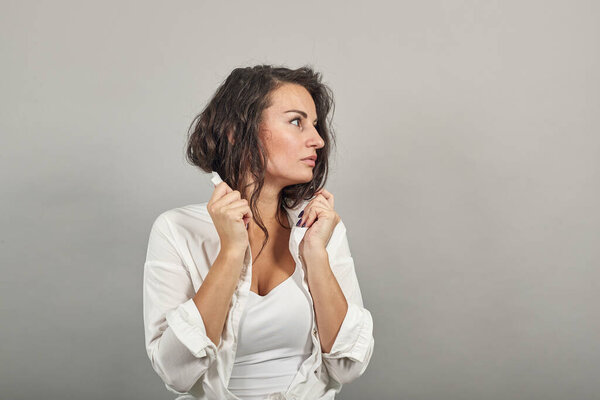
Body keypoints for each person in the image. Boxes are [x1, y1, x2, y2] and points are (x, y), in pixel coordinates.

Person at [143, 65, 375, 400]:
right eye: (297, 121)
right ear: (238, 131)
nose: (319, 140)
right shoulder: (176, 230)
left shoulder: (321, 230)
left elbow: (347, 366)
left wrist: (315, 255)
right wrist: (231, 253)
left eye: (314, 124)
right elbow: (174, 371)